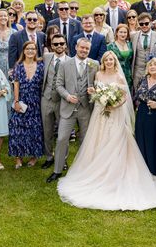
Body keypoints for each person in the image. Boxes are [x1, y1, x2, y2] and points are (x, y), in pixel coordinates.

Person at [57, 51, 156, 210]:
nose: (109, 61)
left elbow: (124, 97)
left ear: (115, 61)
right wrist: (96, 94)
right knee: (98, 140)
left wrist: (114, 105)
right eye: (107, 60)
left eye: (111, 59)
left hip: (115, 113)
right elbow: (97, 92)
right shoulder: (98, 74)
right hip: (100, 113)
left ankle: (116, 172)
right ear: (103, 62)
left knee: (116, 140)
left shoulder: (119, 76)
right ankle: (97, 171)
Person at [47, 38, 99, 183]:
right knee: (62, 138)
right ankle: (57, 170)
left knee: (85, 140)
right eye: (82, 47)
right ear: (76, 47)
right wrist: (67, 96)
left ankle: (84, 170)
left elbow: (98, 84)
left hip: (86, 109)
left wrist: (94, 90)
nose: (84, 50)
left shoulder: (94, 64)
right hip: (68, 108)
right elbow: (58, 84)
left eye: (87, 49)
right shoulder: (65, 64)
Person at [9, 41, 44, 169]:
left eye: (33, 49)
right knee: (17, 129)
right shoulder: (18, 65)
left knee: (35, 130)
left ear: (36, 51)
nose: (30, 51)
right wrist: (16, 102)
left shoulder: (41, 65)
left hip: (36, 101)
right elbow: (16, 84)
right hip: (22, 101)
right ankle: (18, 158)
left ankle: (34, 156)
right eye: (28, 49)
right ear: (24, 51)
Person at [40, 33, 70, 169]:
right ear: (51, 46)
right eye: (56, 44)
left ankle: (63, 159)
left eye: (61, 44)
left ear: (65, 45)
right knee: (47, 131)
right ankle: (49, 156)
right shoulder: (46, 57)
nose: (59, 46)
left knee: (63, 134)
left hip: (63, 102)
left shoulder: (70, 62)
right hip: (46, 99)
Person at [130, 13, 156, 93]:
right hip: (137, 70)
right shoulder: (133, 36)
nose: (144, 26)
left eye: (146, 23)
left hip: (153, 70)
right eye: (141, 24)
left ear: (151, 23)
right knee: (137, 92)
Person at [107, 24, 134, 89]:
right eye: (121, 32)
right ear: (117, 33)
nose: (123, 34)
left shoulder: (130, 44)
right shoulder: (110, 46)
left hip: (129, 75)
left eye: (125, 32)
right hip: (116, 74)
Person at [0, 8, 12, 79]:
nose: (3, 18)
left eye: (5, 16)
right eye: (1, 16)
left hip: (10, 64)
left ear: (8, 18)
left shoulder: (14, 32)